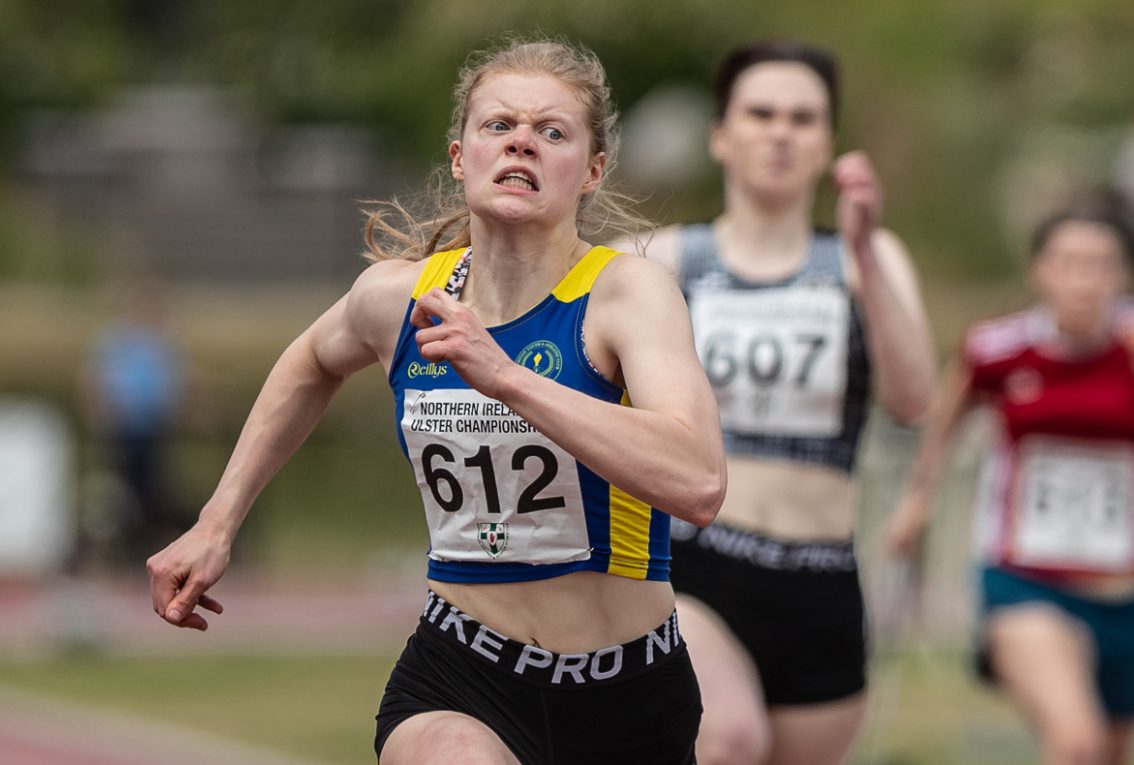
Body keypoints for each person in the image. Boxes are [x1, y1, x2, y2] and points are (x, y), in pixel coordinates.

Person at [145, 38, 726, 765]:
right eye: (499, 125)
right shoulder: (400, 298)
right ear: (460, 157)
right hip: (462, 672)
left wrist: (508, 377)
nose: (522, 141)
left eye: (552, 132)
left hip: (628, 692)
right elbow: (309, 361)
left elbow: (698, 481)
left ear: (592, 170)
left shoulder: (625, 295)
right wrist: (217, 519)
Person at [630, 40, 936, 765]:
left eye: (802, 118)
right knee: (727, 740)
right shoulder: (661, 259)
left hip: (822, 578)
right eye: (760, 113)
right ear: (720, 135)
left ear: (827, 141)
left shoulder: (871, 260)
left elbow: (914, 399)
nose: (779, 133)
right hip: (695, 563)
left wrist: (863, 254)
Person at [885, 203, 1134, 765]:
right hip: (1028, 581)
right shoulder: (998, 349)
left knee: (1109, 753)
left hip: (1131, 591)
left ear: (1123, 275)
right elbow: (944, 418)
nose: (1084, 280)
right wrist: (917, 498)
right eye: (1069, 263)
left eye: (1101, 265)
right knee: (1075, 743)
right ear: (1040, 273)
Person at [82, 279, 184, 565]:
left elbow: (171, 383)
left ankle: (146, 542)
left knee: (153, 488)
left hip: (152, 428)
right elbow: (97, 379)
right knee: (120, 489)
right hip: (122, 429)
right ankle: (122, 546)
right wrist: (102, 410)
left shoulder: (160, 342)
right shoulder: (115, 340)